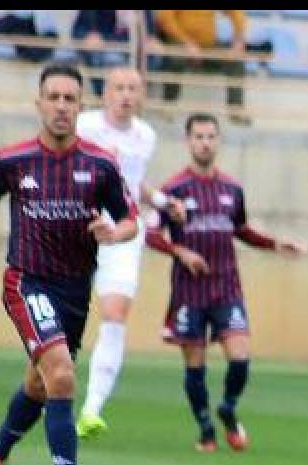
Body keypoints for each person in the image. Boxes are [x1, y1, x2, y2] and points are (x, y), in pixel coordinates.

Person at [0, 64, 138, 465]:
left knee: (41, 383)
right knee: (62, 374)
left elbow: (131, 220)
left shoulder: (101, 164)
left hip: (73, 289)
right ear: (40, 103)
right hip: (26, 281)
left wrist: (113, 231)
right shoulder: (14, 159)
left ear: (81, 107)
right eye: (54, 97)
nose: (62, 106)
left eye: (70, 99)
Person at [146, 113, 305, 451]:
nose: (205, 142)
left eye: (211, 136)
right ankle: (205, 430)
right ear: (188, 142)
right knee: (195, 364)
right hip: (190, 292)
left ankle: (228, 408)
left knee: (241, 355)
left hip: (226, 287)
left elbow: (242, 230)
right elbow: (149, 234)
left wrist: (276, 244)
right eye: (199, 137)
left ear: (218, 141)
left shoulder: (232, 189)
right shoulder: (172, 190)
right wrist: (181, 252)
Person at [75, 67, 188, 440]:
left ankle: (92, 409)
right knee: (63, 316)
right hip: (76, 227)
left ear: (141, 95)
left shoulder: (145, 136)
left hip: (122, 231)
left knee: (115, 312)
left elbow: (131, 182)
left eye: (133, 89)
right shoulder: (84, 126)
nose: (126, 95)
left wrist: (161, 201)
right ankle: (50, 391)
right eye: (119, 88)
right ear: (105, 93)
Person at [153, 10, 249, 121]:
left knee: (235, 61)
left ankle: (235, 111)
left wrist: (239, 39)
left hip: (207, 46)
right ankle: (167, 106)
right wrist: (187, 42)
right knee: (175, 59)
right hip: (178, 43)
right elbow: (165, 19)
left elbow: (236, 13)